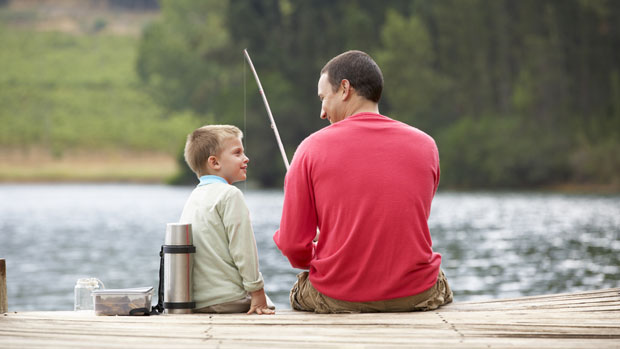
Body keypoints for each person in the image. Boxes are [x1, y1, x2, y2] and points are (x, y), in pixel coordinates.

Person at [273, 50, 453, 313]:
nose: (322, 112)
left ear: (345, 88)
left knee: (299, 289)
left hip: (339, 296)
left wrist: (318, 252)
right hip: (416, 294)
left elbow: (292, 247)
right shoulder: (427, 145)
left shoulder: (310, 148)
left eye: (324, 98)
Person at [180, 124, 275, 315]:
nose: (246, 158)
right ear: (214, 162)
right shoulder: (230, 195)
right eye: (237, 153)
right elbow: (243, 249)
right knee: (270, 304)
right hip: (227, 299)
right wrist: (257, 291)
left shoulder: (194, 197)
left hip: (198, 302)